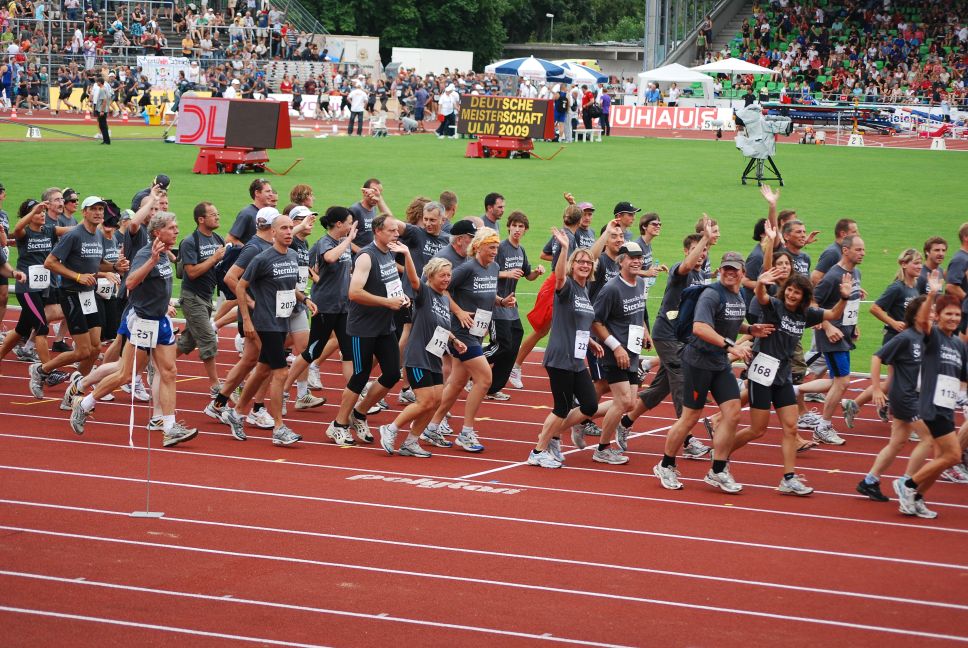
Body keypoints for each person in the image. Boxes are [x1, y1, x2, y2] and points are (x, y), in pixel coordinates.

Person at [69, 212, 197, 448]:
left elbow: (158, 287)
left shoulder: (164, 254)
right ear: (157, 232)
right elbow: (130, 283)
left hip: (160, 320)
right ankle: (84, 404)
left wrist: (165, 304)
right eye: (172, 227)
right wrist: (152, 261)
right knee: (125, 374)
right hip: (143, 322)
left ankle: (169, 428)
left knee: (169, 372)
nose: (177, 231)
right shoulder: (147, 254)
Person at [652, 251, 774, 493]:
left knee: (733, 413)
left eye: (734, 269)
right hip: (698, 363)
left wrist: (750, 329)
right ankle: (665, 465)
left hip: (719, 364)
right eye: (726, 268)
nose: (729, 273)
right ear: (720, 270)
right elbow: (699, 327)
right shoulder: (711, 294)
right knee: (690, 418)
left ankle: (717, 469)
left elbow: (729, 321)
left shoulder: (739, 295)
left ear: (743, 273)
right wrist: (731, 346)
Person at [731, 266, 851, 496]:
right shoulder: (775, 306)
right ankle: (720, 456)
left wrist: (844, 297)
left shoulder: (806, 314)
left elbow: (834, 314)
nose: (791, 295)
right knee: (758, 429)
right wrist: (761, 283)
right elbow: (762, 297)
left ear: (804, 296)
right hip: (763, 371)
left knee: (791, 427)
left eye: (797, 292)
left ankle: (788, 478)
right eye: (789, 290)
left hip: (783, 374)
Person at [325, 215, 418, 446]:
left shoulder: (389, 253)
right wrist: (387, 302)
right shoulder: (367, 256)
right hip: (363, 329)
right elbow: (354, 292)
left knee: (392, 374)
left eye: (397, 230)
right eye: (391, 230)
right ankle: (338, 424)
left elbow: (390, 284)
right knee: (360, 376)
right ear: (378, 231)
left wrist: (400, 296)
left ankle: (359, 413)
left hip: (384, 326)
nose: (397, 234)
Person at [231, 214, 315, 445]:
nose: (289, 232)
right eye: (284, 228)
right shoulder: (262, 258)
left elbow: (289, 287)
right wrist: (247, 320)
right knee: (280, 373)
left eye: (290, 228)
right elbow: (240, 286)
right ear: (273, 232)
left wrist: (305, 299)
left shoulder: (292, 255)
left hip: (282, 321)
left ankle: (236, 413)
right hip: (265, 322)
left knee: (261, 370)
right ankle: (279, 427)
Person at [29, 197, 120, 398]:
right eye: (93, 209)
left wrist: (114, 267)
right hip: (71, 294)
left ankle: (76, 389)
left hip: (89, 295)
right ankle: (41, 370)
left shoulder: (98, 235)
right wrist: (77, 276)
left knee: (95, 348)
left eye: (101, 209)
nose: (98, 213)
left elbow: (96, 263)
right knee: (82, 351)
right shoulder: (74, 235)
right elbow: (50, 262)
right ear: (84, 212)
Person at [893, 274, 967, 519]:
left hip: (946, 406)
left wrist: (963, 394)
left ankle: (916, 498)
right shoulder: (933, 336)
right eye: (948, 314)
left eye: (957, 314)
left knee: (942, 457)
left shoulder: (959, 345)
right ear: (939, 316)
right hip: (931, 406)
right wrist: (933, 294)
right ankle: (908, 485)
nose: (953, 318)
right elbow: (923, 321)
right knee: (953, 455)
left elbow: (963, 377)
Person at [424, 227, 504, 452]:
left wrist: (500, 301)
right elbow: (441, 289)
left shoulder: (494, 268)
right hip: (460, 333)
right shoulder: (467, 268)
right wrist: (458, 311)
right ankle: (466, 432)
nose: (495, 252)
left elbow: (486, 294)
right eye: (491, 247)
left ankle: (432, 426)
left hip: (477, 332)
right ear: (478, 247)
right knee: (485, 379)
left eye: (496, 248)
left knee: (457, 383)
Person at [528, 231, 602, 469]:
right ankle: (538, 451)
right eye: (580, 261)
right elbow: (559, 277)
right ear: (572, 265)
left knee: (589, 405)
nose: (585, 265)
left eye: (588, 262)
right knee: (561, 408)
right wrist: (564, 248)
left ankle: (551, 437)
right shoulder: (568, 285)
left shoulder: (584, 290)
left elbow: (579, 322)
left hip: (577, 360)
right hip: (560, 357)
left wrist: (590, 342)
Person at [380, 258, 467, 456]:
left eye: (449, 275)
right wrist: (406, 254)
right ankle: (390, 428)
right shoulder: (425, 293)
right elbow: (413, 280)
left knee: (435, 402)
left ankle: (411, 442)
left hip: (434, 358)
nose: (447, 279)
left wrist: (454, 340)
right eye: (442, 275)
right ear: (431, 276)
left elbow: (441, 326)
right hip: (418, 357)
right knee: (425, 401)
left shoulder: (444, 298)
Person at [856, 295, 931, 502]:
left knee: (897, 443)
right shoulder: (906, 337)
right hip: (905, 397)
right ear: (916, 316)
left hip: (913, 396)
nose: (932, 314)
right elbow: (877, 356)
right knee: (929, 439)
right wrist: (877, 389)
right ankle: (907, 483)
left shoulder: (925, 337)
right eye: (928, 310)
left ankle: (869, 481)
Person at [586, 241, 650, 465]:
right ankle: (602, 449)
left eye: (639, 257)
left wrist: (646, 332)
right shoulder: (611, 288)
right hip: (615, 353)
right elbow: (595, 321)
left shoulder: (640, 283)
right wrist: (616, 347)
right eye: (631, 257)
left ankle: (581, 416)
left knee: (630, 403)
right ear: (621, 261)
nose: (636, 261)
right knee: (623, 402)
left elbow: (639, 312)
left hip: (632, 351)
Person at [842, 248, 923, 427]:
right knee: (895, 382)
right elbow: (875, 308)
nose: (919, 266)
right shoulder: (897, 288)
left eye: (920, 263)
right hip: (895, 339)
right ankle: (860, 405)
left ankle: (861, 405)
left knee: (895, 381)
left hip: (908, 340)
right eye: (916, 263)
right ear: (904, 264)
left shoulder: (915, 287)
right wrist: (893, 322)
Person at [285, 206, 357, 403]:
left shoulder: (344, 243)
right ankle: (284, 389)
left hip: (343, 307)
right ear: (339, 224)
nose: (351, 227)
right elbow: (329, 258)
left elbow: (342, 270)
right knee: (312, 351)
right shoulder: (325, 243)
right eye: (349, 223)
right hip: (324, 306)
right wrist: (348, 241)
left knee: (349, 352)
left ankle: (355, 397)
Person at [811, 235, 865, 444]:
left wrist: (853, 325)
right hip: (831, 336)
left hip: (844, 333)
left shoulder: (856, 273)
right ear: (845, 250)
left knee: (836, 382)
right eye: (858, 249)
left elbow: (849, 302)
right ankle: (823, 426)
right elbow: (812, 302)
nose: (862, 253)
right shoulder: (833, 275)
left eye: (863, 249)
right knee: (843, 382)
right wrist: (827, 325)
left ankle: (794, 390)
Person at [486, 211, 544, 399]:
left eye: (521, 226)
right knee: (502, 345)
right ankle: (471, 366)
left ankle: (493, 388)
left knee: (513, 346)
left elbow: (528, 275)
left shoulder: (521, 250)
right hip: (496, 304)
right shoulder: (500, 248)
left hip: (511, 306)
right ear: (508, 227)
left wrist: (537, 272)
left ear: (525, 230)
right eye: (514, 225)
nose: (517, 229)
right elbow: (486, 271)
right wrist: (506, 273)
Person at [175, 201, 226, 397]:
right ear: (201, 219)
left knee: (187, 342)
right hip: (192, 297)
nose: (218, 217)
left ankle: (156, 363)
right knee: (208, 339)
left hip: (206, 297)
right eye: (213, 214)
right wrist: (214, 258)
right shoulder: (190, 242)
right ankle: (215, 385)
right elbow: (192, 272)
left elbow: (219, 269)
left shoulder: (218, 239)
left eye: (218, 213)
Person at [226, 178, 277, 246]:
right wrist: (248, 250)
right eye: (267, 191)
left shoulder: (269, 213)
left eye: (271, 191)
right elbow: (230, 239)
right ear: (257, 193)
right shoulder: (247, 214)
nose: (271, 194)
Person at [348, 178, 389, 253]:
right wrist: (362, 252)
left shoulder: (374, 208)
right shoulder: (355, 210)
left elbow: (390, 220)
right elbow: (344, 238)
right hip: (358, 256)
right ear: (364, 192)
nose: (376, 196)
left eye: (379, 193)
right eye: (373, 192)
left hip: (371, 253)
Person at [92, 76, 112, 144]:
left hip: (101, 110)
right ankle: (106, 140)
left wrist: (102, 111)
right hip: (104, 109)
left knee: (102, 126)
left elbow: (104, 100)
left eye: (97, 82)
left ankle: (106, 140)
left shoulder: (102, 89)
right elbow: (109, 98)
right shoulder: (105, 89)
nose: (96, 83)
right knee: (103, 125)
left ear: (100, 82)